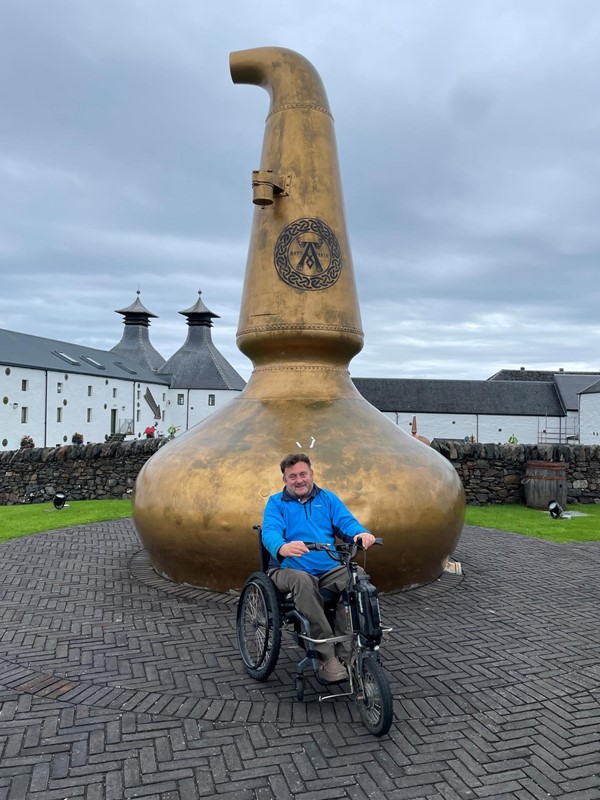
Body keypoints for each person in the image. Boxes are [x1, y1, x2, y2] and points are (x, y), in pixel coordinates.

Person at [261, 453, 376, 683]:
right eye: (292, 476)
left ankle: (346, 648)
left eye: (303, 474)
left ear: (312, 474)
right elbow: (270, 531)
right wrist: (282, 547)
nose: (299, 480)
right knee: (303, 582)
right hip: (288, 570)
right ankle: (325, 656)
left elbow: (346, 522)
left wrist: (360, 533)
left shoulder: (328, 499)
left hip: (327, 569)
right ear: (284, 480)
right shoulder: (276, 503)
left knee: (357, 577)